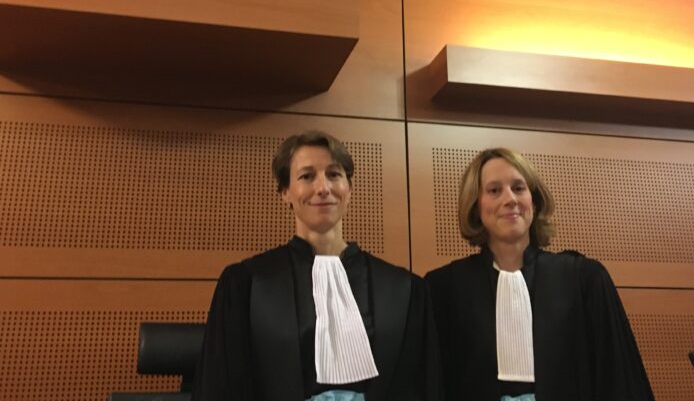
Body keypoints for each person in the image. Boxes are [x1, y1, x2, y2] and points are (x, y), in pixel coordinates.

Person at [193, 130, 440, 401]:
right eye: (307, 176)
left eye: (334, 174)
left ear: (349, 189)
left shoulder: (405, 289)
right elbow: (220, 390)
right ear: (285, 192)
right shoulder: (245, 285)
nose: (323, 188)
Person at [425, 148, 654, 401]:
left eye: (518, 188)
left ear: (533, 201)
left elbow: (619, 381)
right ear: (476, 206)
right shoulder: (443, 289)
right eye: (494, 190)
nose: (510, 199)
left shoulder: (584, 280)